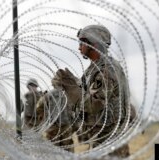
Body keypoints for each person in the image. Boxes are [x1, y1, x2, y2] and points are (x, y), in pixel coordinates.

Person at [51, 25, 136, 157]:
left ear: (94, 44)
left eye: (82, 43)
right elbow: (87, 91)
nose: (79, 47)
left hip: (110, 140)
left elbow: (93, 104)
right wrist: (70, 81)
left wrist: (71, 87)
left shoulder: (107, 69)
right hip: (100, 138)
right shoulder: (94, 69)